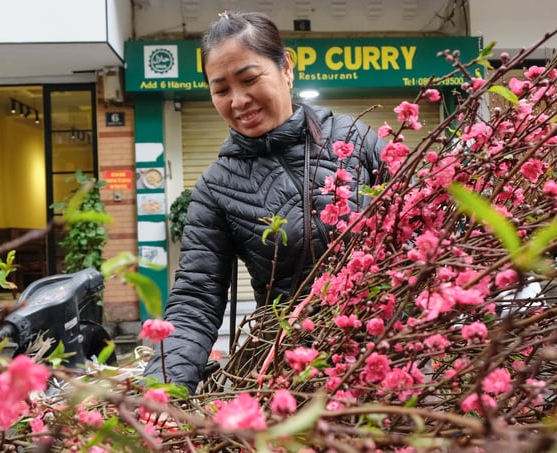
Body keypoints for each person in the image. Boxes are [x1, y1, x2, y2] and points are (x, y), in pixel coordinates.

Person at [142, 11, 387, 393]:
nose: (238, 101)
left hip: (392, 356)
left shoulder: (354, 139)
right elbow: (195, 301)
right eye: (221, 90)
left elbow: (426, 216)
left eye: (249, 79)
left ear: (286, 67)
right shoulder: (215, 189)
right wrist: (159, 394)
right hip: (297, 377)